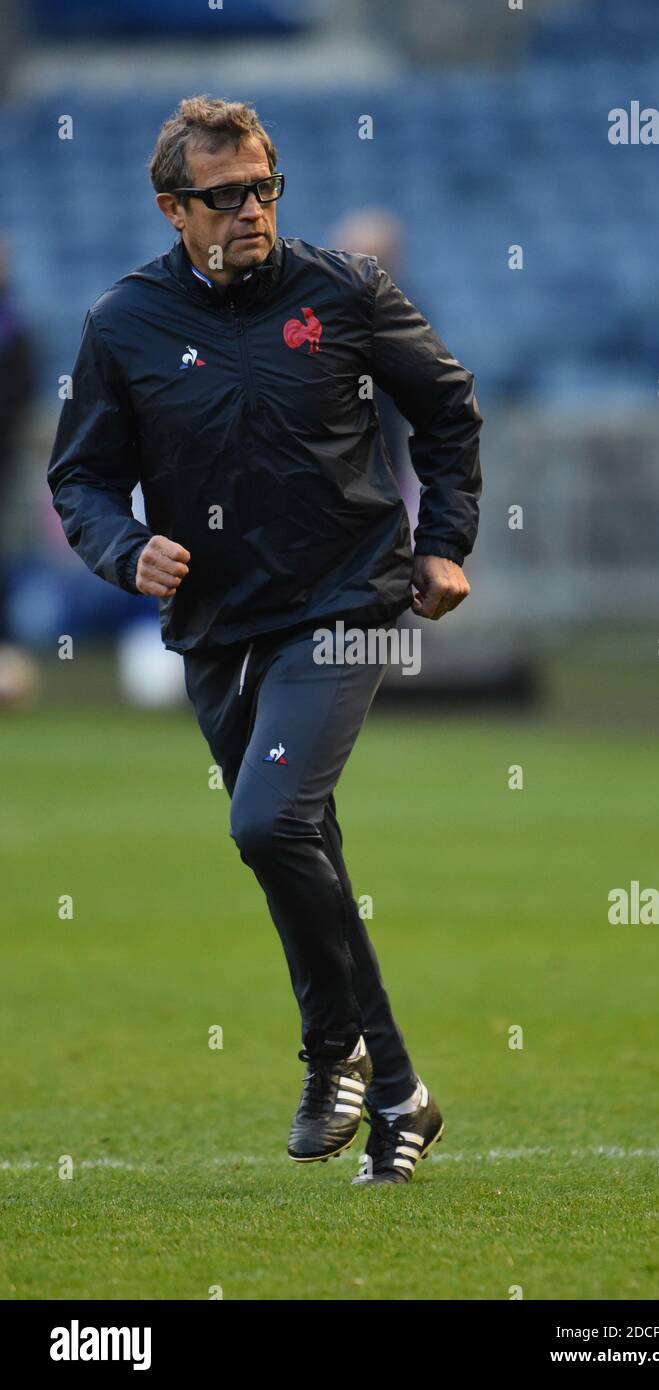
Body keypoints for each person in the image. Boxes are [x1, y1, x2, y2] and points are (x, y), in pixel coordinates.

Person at [47, 97, 483, 1186]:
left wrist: (442, 542)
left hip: (342, 604)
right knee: (300, 850)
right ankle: (398, 1092)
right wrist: (123, 549)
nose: (251, 209)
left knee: (268, 818)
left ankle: (329, 1051)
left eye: (264, 186)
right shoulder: (123, 323)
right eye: (225, 194)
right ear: (172, 207)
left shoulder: (346, 292)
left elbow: (450, 408)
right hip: (215, 625)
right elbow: (83, 477)